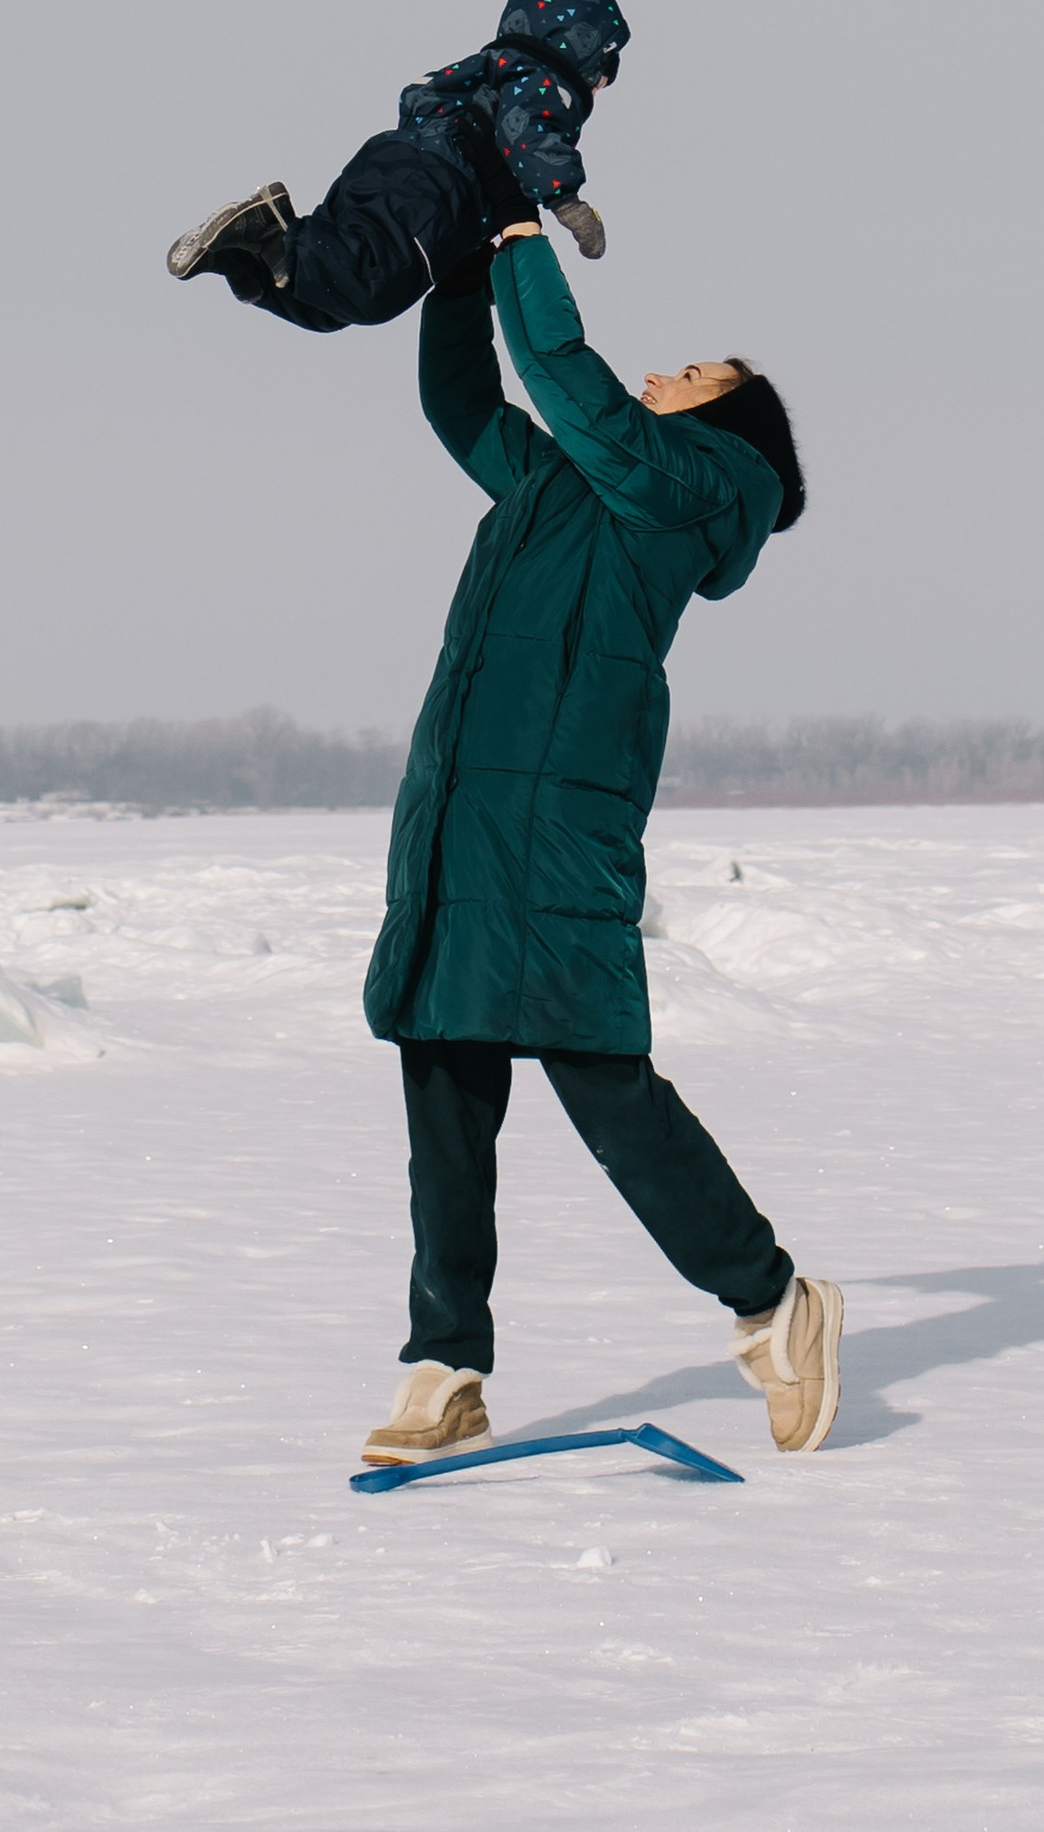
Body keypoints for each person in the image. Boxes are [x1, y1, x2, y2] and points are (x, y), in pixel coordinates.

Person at [356, 218, 842, 1470]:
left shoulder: (698, 487)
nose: (663, 375)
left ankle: (772, 1302)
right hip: (463, 809)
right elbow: (464, 397)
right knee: (444, 1089)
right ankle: (444, 1364)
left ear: (733, 422)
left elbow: (565, 369)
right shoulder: (569, 480)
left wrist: (519, 235)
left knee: (601, 1083)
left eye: (697, 373)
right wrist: (458, 269)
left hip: (563, 818)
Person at [165, 0, 628, 334]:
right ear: (583, 52)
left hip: (397, 161)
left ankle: (241, 261)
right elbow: (528, 136)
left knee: (331, 301)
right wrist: (568, 204)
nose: (602, 85)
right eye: (605, 71)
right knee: (370, 288)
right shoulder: (545, 83)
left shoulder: (488, 71)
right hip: (439, 179)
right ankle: (265, 228)